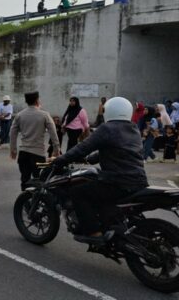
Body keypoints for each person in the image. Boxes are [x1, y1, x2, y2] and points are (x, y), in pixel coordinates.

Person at [50, 97, 149, 244]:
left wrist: (60, 160)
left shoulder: (107, 128)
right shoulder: (133, 128)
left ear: (108, 111)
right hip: (139, 181)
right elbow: (116, 149)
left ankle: (93, 232)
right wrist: (89, 159)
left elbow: (82, 147)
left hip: (117, 182)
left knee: (78, 192)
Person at [10, 91, 60, 190]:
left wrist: (13, 150)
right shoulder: (44, 115)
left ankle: (24, 201)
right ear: (37, 100)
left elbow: (12, 133)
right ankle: (36, 201)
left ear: (26, 101)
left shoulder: (20, 115)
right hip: (38, 154)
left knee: (25, 178)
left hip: (23, 153)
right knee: (39, 179)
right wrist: (56, 149)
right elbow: (53, 133)